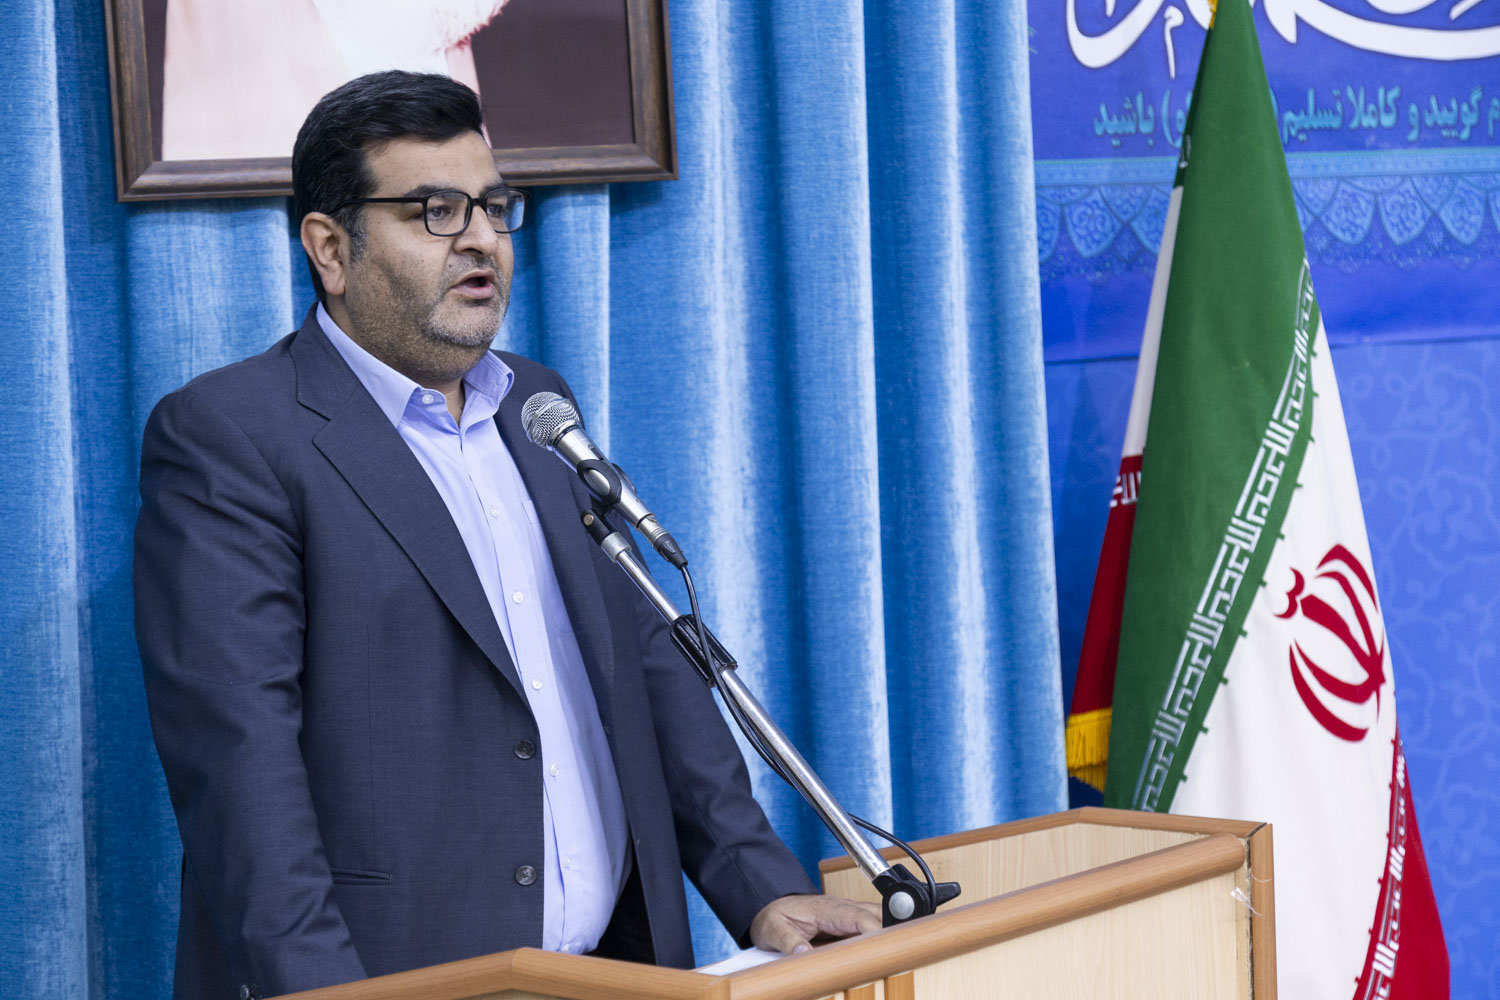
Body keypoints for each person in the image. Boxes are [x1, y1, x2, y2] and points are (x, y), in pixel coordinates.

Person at [135, 70, 879, 1000]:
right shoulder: (233, 436)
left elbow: (648, 663)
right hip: (398, 981)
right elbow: (239, 772)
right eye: (435, 212)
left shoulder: (536, 404)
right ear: (330, 248)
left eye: (493, 207)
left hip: (613, 971)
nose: (481, 238)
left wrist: (760, 886)